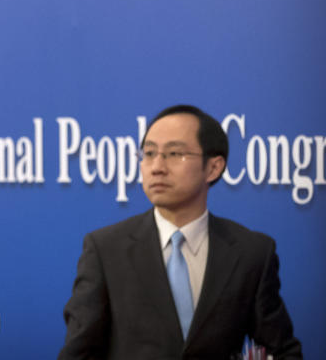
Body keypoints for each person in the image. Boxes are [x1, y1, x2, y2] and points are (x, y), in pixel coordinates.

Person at [58, 104, 302, 359]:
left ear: (213, 168)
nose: (157, 167)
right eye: (149, 153)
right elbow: (78, 353)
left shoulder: (252, 253)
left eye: (174, 153)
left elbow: (283, 350)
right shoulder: (106, 250)